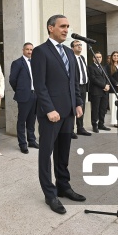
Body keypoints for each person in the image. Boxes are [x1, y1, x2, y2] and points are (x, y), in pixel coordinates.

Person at [31, 14, 85, 215]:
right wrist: (49, 109)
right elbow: (40, 85)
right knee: (46, 154)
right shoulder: (40, 52)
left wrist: (78, 103)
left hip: (69, 112)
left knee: (63, 152)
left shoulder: (70, 53)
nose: (66, 30)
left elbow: (74, 82)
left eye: (68, 26)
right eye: (62, 26)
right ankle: (50, 194)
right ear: (50, 28)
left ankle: (63, 186)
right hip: (51, 114)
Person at [9, 42, 38, 154]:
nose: (29, 51)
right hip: (24, 96)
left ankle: (32, 141)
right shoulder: (17, 63)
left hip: (35, 95)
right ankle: (22, 144)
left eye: (31, 49)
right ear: (23, 50)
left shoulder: (35, 63)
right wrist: (20, 91)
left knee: (32, 120)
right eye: (27, 49)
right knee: (22, 121)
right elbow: (12, 80)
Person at [71, 39, 91, 137]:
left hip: (83, 86)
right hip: (75, 87)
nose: (79, 46)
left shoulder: (82, 58)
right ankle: (71, 130)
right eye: (77, 45)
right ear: (72, 48)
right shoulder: (71, 58)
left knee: (81, 107)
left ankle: (80, 128)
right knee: (73, 107)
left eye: (80, 45)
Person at [88, 52, 111, 133]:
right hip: (96, 91)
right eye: (96, 57)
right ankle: (94, 125)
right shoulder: (91, 67)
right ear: (93, 58)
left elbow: (107, 77)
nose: (98, 58)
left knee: (103, 109)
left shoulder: (104, 67)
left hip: (105, 92)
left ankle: (101, 124)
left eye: (100, 57)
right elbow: (93, 79)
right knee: (95, 109)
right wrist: (103, 86)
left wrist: (107, 85)